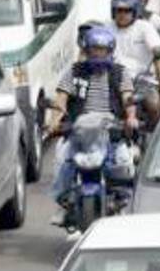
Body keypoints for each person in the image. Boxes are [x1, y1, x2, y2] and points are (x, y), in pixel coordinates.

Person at [45, 25, 139, 223]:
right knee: (63, 158)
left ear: (110, 51)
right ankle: (64, 204)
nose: (98, 54)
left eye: (102, 50)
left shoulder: (120, 73)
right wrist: (54, 121)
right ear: (86, 50)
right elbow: (61, 98)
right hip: (79, 128)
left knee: (124, 159)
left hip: (110, 127)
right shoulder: (73, 72)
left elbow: (128, 98)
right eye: (94, 50)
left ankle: (123, 201)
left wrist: (131, 118)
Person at [109, 0, 160, 124]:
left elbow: (159, 51)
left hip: (142, 79)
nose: (122, 14)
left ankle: (154, 132)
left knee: (154, 104)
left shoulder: (144, 27)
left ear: (134, 11)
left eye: (127, 10)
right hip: (113, 79)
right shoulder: (107, 28)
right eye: (119, 10)